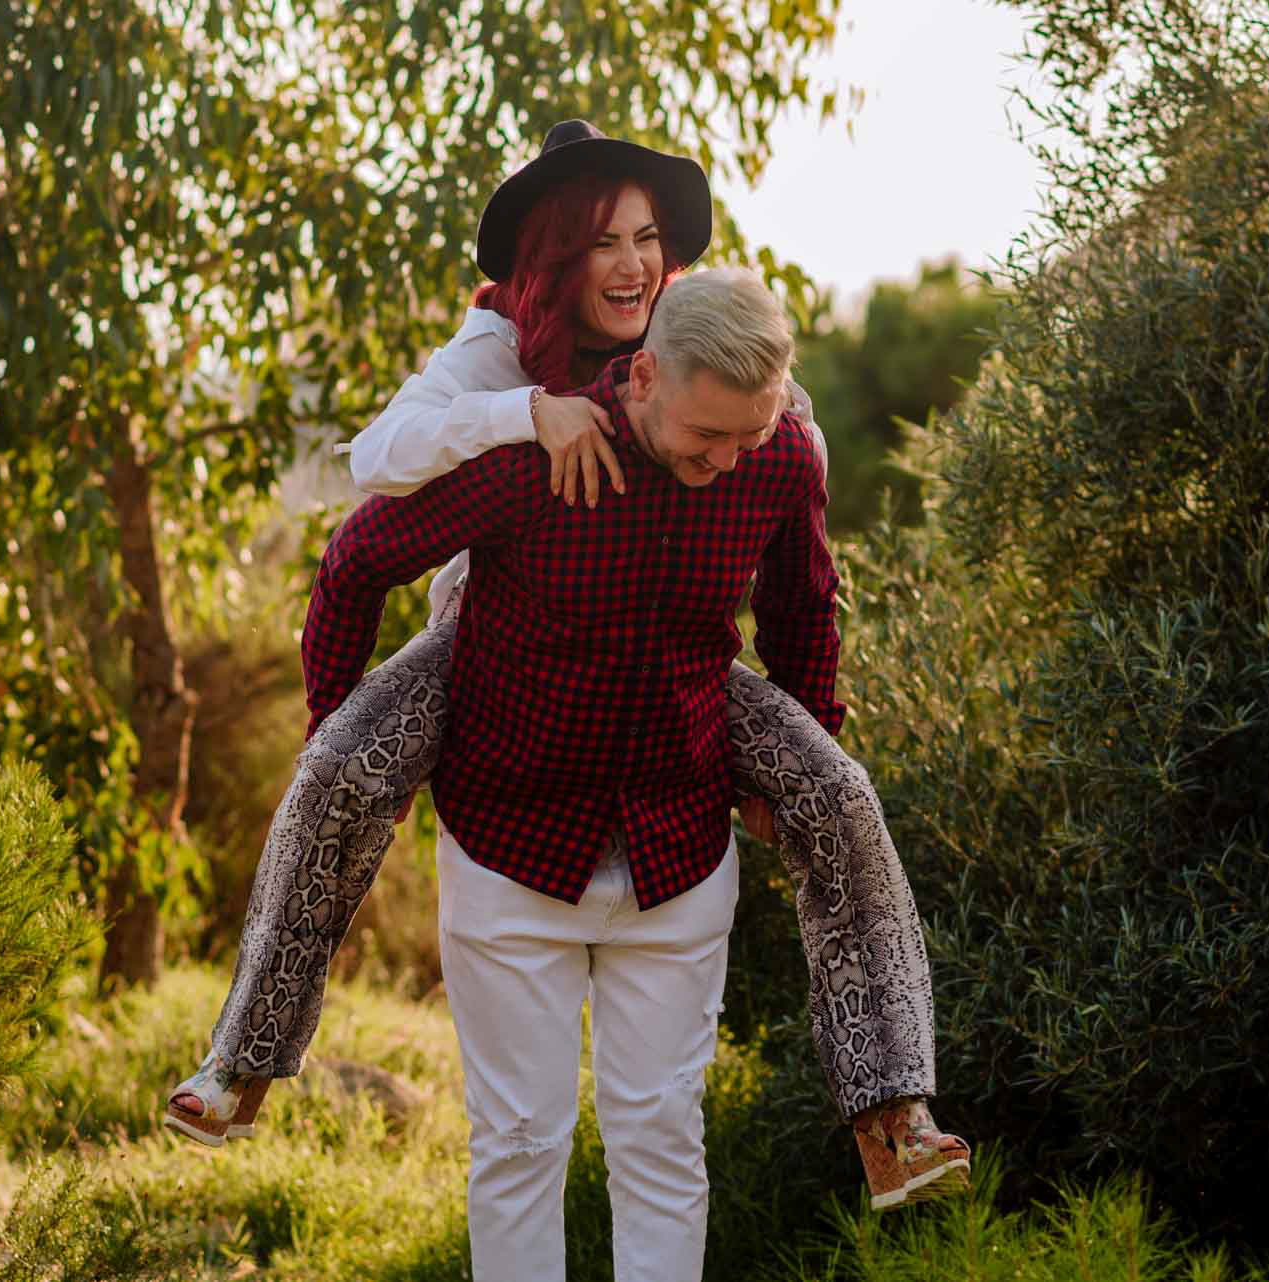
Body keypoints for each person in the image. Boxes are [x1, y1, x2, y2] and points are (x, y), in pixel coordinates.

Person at [164, 123, 968, 1215]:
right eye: (604, 242)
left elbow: (799, 586)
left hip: (678, 657)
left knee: (839, 790)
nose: (634, 262)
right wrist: (522, 416)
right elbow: (370, 486)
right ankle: (243, 1059)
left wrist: (792, 743)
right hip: (485, 639)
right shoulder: (492, 359)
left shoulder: (725, 380)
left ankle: (893, 1118)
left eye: (648, 238)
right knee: (340, 769)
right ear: (555, 258)